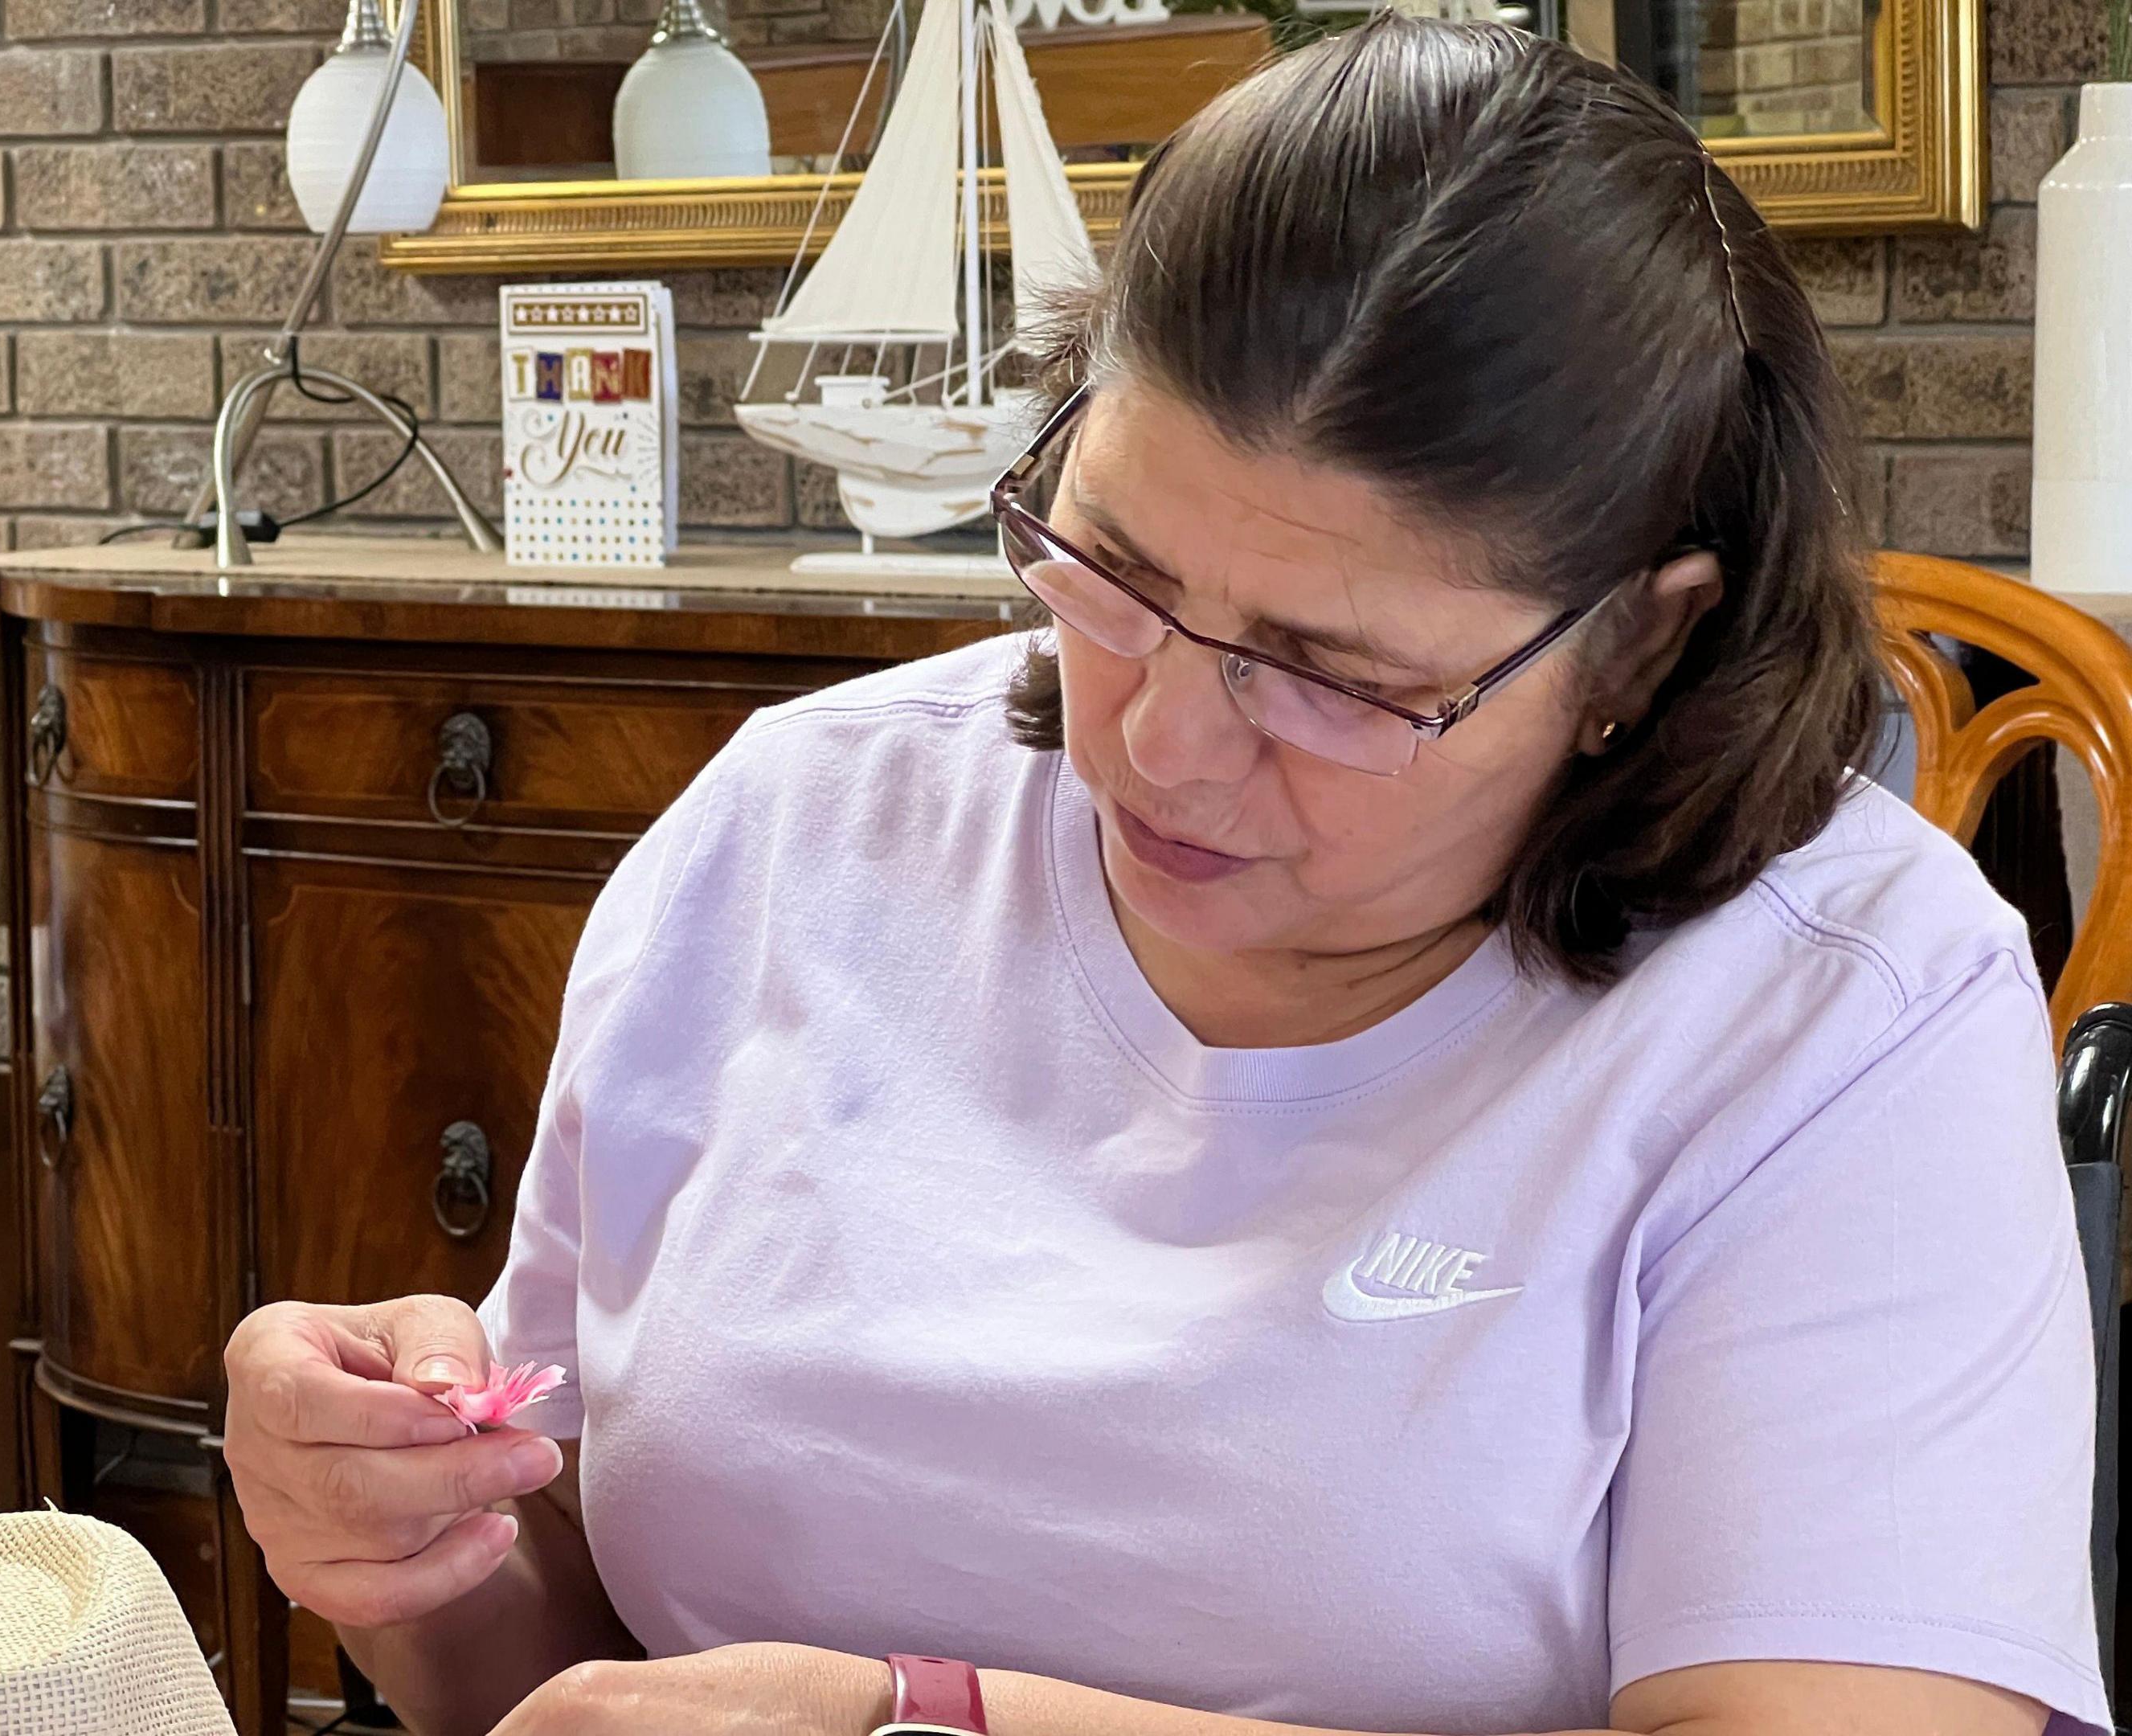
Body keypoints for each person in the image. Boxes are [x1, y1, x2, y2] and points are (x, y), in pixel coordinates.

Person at [221, 18, 2106, 1736]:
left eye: (1337, 677)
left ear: (1635, 649)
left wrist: (925, 1722)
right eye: (1110, 572)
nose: (1160, 742)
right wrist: (399, 1538)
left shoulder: (1838, 1011)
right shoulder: (798, 829)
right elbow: (560, 1689)